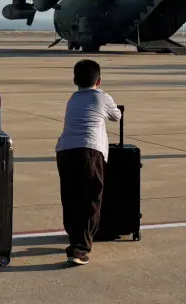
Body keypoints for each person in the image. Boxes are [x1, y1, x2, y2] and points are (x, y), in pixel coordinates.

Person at [55, 59, 122, 266]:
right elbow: (116, 116)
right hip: (89, 151)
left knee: (71, 196)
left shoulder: (73, 99)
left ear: (75, 80)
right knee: (90, 198)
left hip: (65, 150)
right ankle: (79, 249)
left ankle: (75, 236)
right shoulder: (102, 97)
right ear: (99, 81)